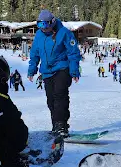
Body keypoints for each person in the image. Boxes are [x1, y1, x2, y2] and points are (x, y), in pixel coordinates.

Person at [28, 9, 81, 137]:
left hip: (62, 68)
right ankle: (55, 125)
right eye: (39, 25)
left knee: (60, 96)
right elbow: (34, 53)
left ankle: (61, 125)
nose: (42, 28)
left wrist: (74, 71)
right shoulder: (39, 35)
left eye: (45, 24)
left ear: (52, 22)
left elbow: (73, 53)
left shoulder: (64, 33)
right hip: (47, 71)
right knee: (50, 99)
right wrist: (32, 69)